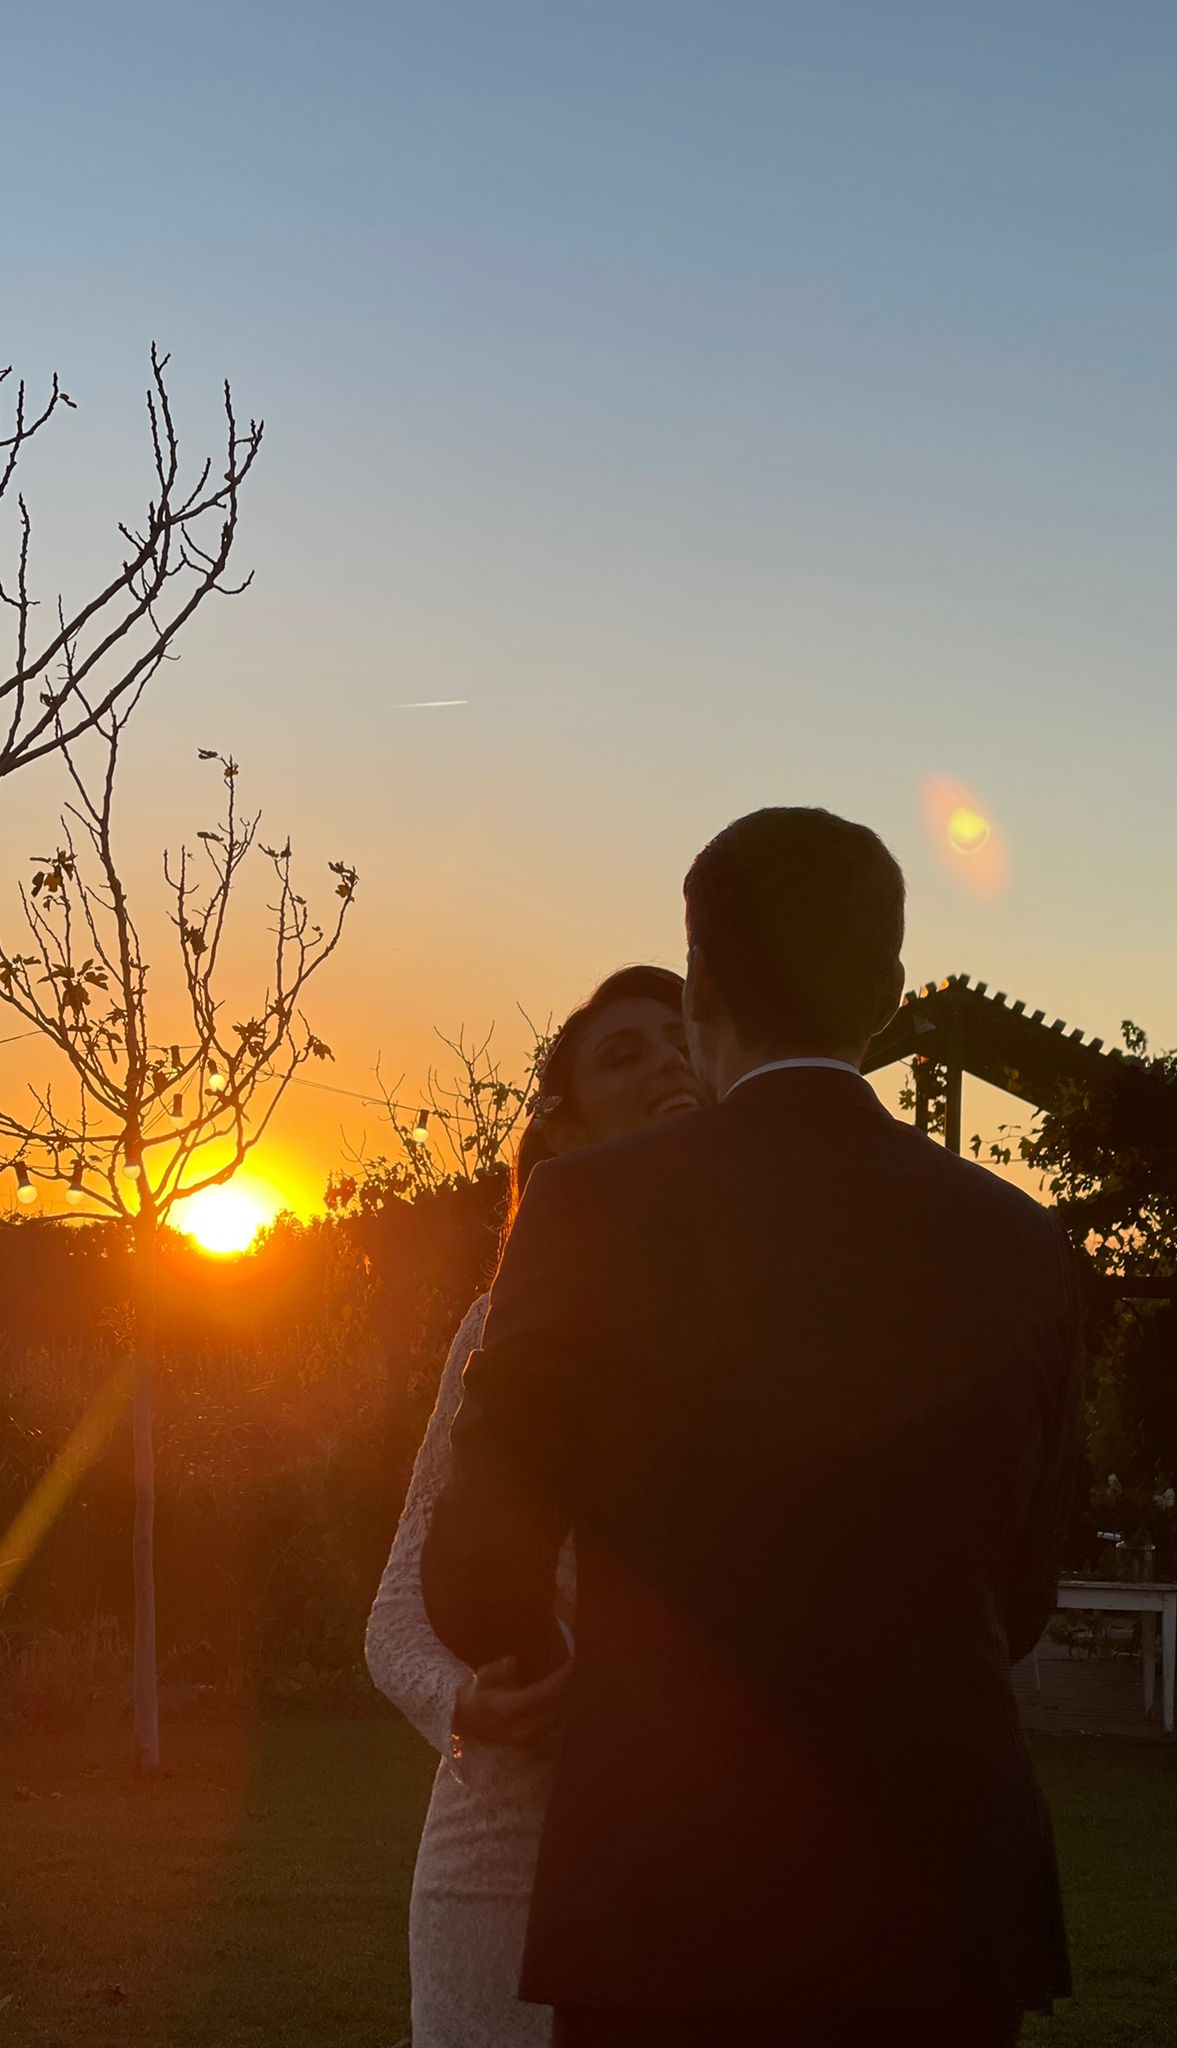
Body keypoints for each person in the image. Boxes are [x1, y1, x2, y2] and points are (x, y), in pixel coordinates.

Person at [422, 806, 1082, 2048]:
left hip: (665, 1886)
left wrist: (536, 1656)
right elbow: (1025, 1587)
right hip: (937, 1900)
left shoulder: (585, 1206)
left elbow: (477, 1556)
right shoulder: (1020, 1242)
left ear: (703, 981)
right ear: (886, 993)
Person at [365, 965, 702, 2048]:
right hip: (501, 1852)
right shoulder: (503, 1325)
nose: (668, 1061)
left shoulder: (774, 1317)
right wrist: (466, 1698)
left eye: (684, 1037)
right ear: (563, 1123)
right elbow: (393, 1614)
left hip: (703, 1847)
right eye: (626, 1051)